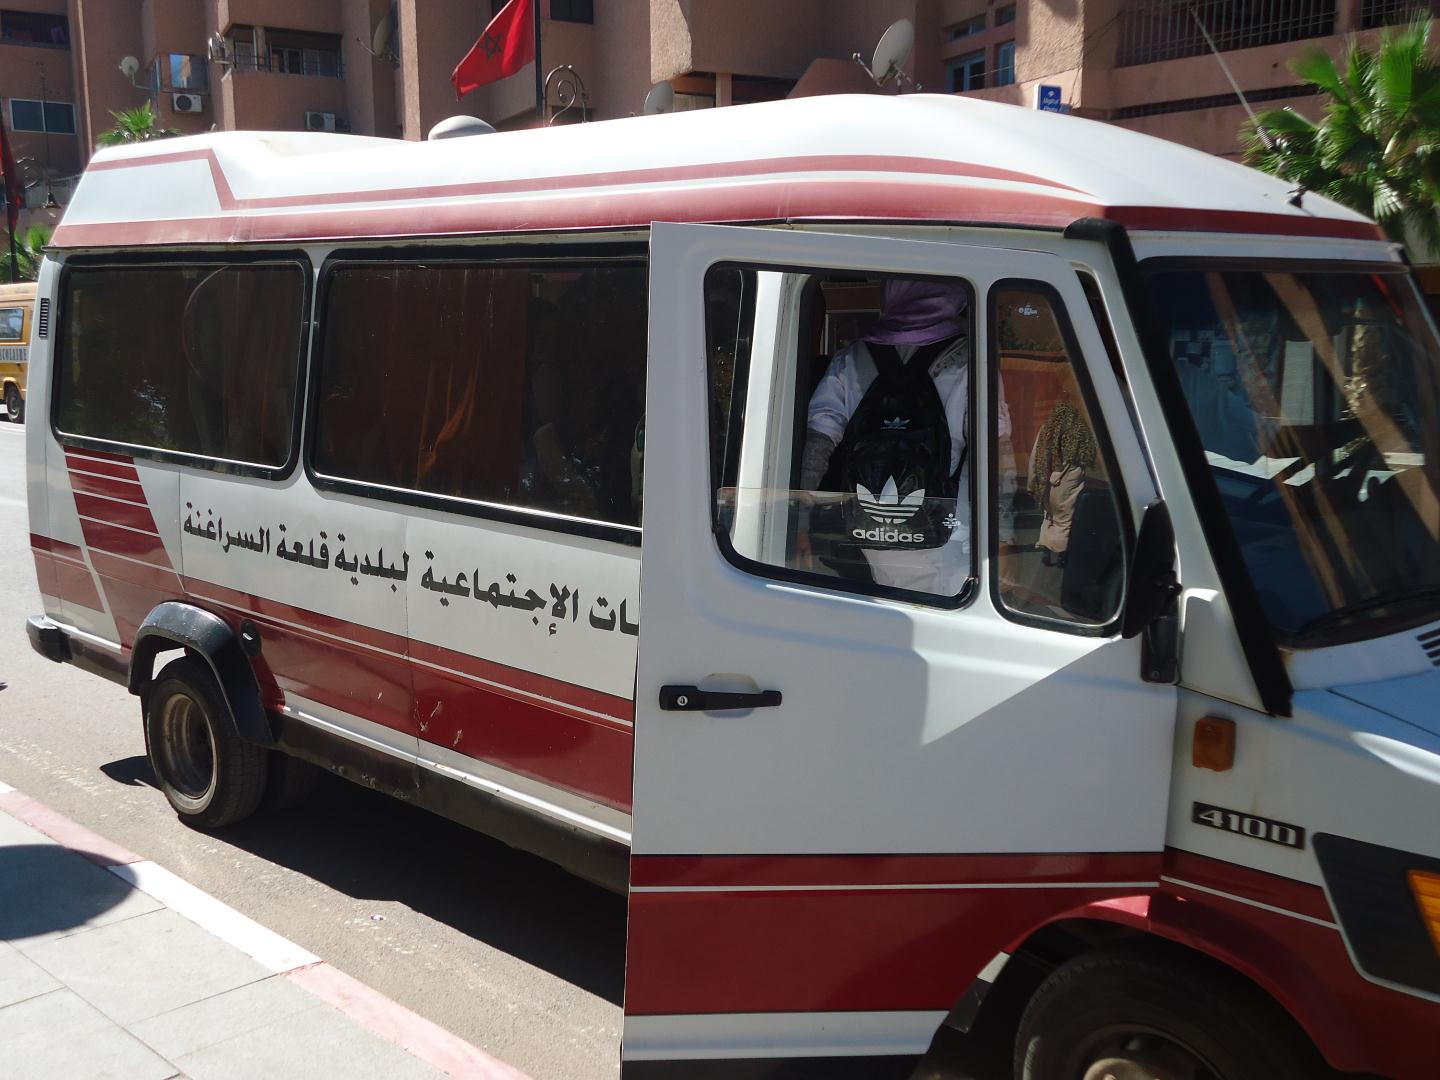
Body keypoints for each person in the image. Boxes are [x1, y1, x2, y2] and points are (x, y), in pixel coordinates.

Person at [800, 278, 975, 596]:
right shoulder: (971, 361)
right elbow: (997, 455)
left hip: (871, 527)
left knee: (894, 603)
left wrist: (796, 518)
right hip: (951, 528)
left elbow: (818, 443)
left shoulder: (852, 358)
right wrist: (1005, 532)